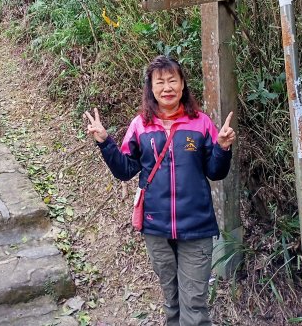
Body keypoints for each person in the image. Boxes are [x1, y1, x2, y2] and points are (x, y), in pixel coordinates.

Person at [85, 55, 235, 326]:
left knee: (195, 303)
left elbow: (216, 171)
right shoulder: (140, 125)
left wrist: (223, 147)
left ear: (182, 85)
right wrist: (105, 142)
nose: (167, 88)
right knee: (172, 300)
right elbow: (125, 170)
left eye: (172, 81)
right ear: (151, 89)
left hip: (197, 227)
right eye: (160, 82)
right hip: (156, 228)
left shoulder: (201, 123)